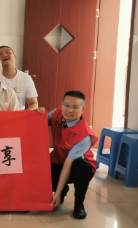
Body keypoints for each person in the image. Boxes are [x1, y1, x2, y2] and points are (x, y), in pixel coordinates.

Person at [40, 90, 98, 220]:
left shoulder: (85, 135)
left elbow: (68, 164)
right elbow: (37, 122)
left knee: (81, 167)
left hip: (78, 167)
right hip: (59, 160)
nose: (69, 110)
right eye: (66, 105)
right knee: (40, 172)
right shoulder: (56, 114)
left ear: (83, 109)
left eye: (75, 107)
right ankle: (63, 189)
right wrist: (38, 113)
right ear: (62, 104)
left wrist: (57, 193)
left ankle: (79, 206)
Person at [0, 45, 40, 111]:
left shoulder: (26, 78)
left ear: (14, 56)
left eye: (8, 52)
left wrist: (23, 116)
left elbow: (33, 103)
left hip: (19, 115)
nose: (4, 55)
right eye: (0, 54)